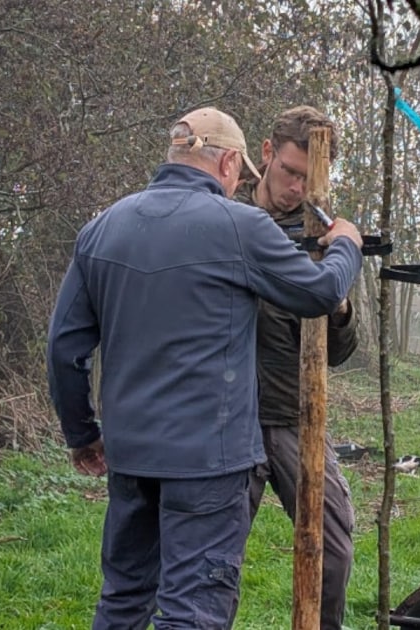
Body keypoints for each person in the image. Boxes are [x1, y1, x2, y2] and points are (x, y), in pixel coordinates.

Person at [46, 106, 364, 630]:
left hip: (132, 454)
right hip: (209, 460)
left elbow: (64, 349)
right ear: (232, 162)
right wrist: (348, 246)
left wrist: (82, 435)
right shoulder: (240, 227)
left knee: (124, 599)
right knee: (194, 611)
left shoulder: (102, 228)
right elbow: (323, 291)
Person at [234, 105, 358, 630]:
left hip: (292, 415)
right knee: (213, 560)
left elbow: (339, 353)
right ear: (266, 154)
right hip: (229, 417)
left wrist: (339, 307)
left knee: (334, 547)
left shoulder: (321, 237)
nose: (294, 188)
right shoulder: (227, 220)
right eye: (288, 172)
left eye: (308, 180)